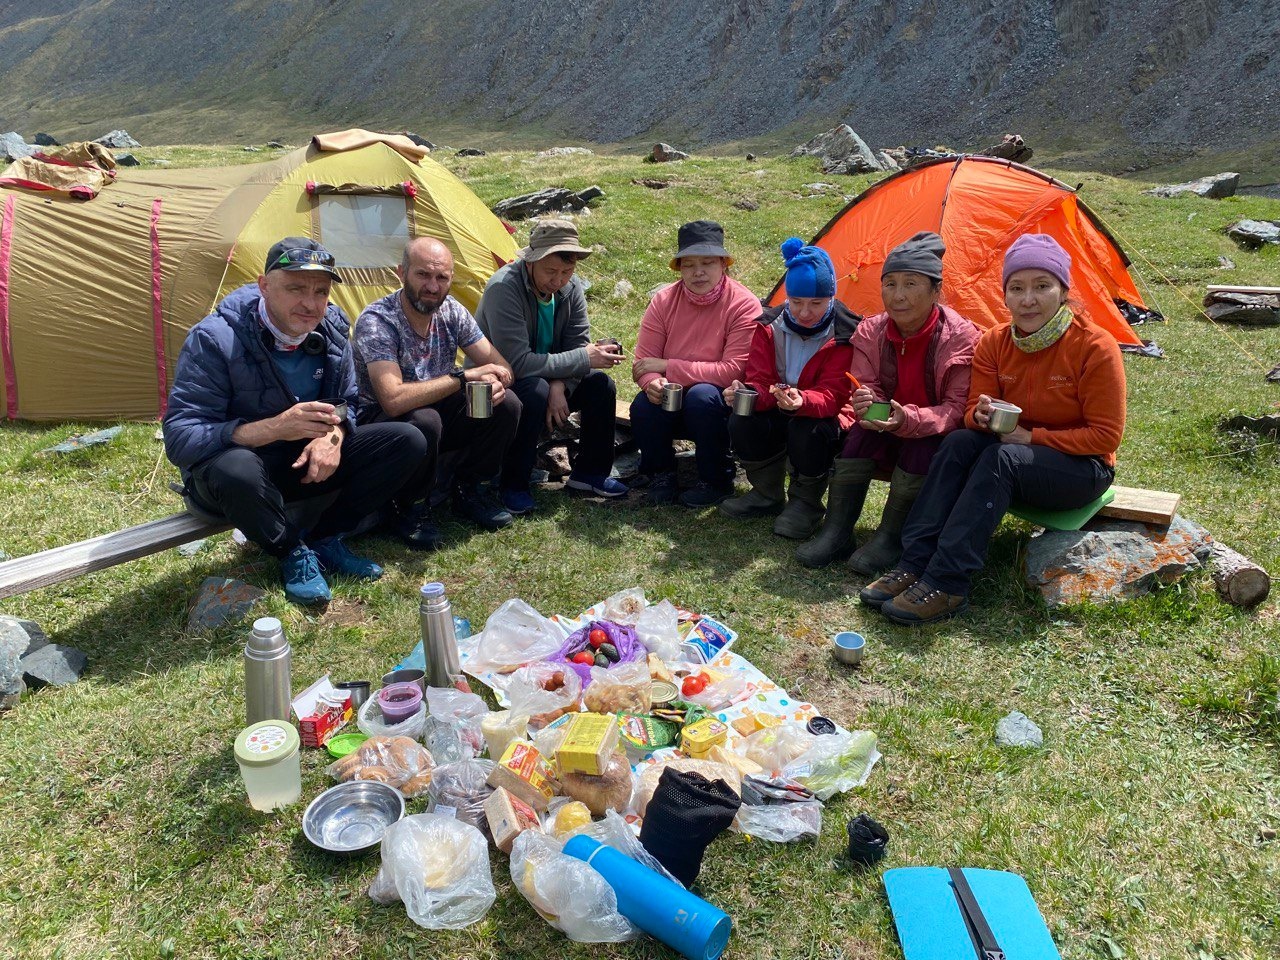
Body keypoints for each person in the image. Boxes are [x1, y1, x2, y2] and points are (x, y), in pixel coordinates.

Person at [862, 234, 1126, 625]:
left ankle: (948, 581)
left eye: (1041, 286)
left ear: (1063, 290)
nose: (1027, 299)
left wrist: (1031, 438)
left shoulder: (1094, 346)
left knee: (1001, 458)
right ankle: (914, 561)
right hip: (1010, 450)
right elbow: (970, 412)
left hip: (1081, 468)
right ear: (1004, 295)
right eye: (1016, 288)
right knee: (960, 442)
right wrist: (980, 417)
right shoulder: (996, 342)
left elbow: (1105, 437)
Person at [163, 237, 428, 605]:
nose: (310, 303)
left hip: (303, 463)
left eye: (321, 291)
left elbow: (346, 403)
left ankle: (325, 538)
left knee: (406, 440)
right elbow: (180, 436)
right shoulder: (215, 339)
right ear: (264, 286)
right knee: (236, 467)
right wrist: (272, 428)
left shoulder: (332, 326)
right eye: (295, 288)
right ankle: (290, 551)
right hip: (238, 480)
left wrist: (332, 438)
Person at [797, 232, 980, 572]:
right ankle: (837, 532)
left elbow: (957, 410)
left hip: (931, 433)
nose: (898, 296)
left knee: (920, 446)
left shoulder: (960, 337)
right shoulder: (871, 331)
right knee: (859, 437)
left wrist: (907, 420)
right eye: (890, 284)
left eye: (911, 284)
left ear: (936, 291)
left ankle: (891, 538)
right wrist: (868, 403)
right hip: (888, 424)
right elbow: (867, 384)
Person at [353, 237, 520, 546]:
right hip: (383, 424)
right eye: (423, 275)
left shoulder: (451, 312)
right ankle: (408, 506)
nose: (432, 286)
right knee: (426, 419)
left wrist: (497, 382)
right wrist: (464, 377)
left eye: (441, 277)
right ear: (401, 272)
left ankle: (471, 489)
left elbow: (503, 367)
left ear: (450, 279)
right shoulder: (378, 322)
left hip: (435, 410)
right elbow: (392, 400)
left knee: (506, 404)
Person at [473, 219, 627, 514]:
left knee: (600, 386)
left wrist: (561, 385)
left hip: (549, 378)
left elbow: (577, 343)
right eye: (551, 271)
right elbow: (517, 362)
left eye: (567, 272)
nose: (558, 280)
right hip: (502, 381)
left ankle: (590, 474)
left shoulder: (570, 289)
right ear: (531, 261)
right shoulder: (504, 289)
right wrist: (580, 361)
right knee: (535, 390)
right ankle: (513, 483)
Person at [720, 237, 859, 539]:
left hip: (823, 417)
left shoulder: (847, 334)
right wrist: (747, 394)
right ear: (787, 298)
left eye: (816, 303)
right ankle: (767, 494)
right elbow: (759, 378)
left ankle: (805, 504)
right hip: (780, 406)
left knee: (807, 428)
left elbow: (835, 396)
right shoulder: (768, 326)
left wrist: (802, 401)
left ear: (832, 298)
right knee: (742, 419)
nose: (805, 312)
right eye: (796, 302)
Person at [630, 220, 759, 507]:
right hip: (674, 396)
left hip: (719, 400)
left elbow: (732, 371)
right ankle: (661, 474)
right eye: (688, 264)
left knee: (702, 395)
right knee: (644, 404)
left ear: (723, 264)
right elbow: (643, 362)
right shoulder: (664, 300)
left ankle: (716, 478)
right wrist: (652, 382)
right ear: (679, 268)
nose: (698, 272)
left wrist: (667, 366)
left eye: (707, 263)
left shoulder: (744, 304)